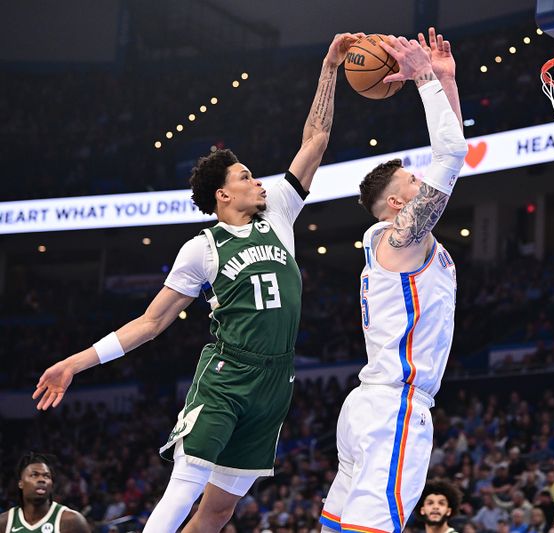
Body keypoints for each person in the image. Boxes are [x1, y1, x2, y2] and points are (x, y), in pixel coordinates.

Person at [31, 32, 365, 533]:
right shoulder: (201, 248)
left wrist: (329, 67)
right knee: (186, 483)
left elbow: (315, 140)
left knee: (220, 508)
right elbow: (150, 322)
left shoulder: (277, 212)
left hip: (277, 380)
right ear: (222, 194)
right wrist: (74, 364)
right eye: (247, 176)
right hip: (228, 376)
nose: (258, 182)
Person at [319, 27, 468, 533]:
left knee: (339, 526)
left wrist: (445, 81)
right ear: (399, 204)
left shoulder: (396, 242)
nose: (424, 181)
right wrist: (425, 78)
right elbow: (451, 158)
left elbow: (451, 158)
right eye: (413, 181)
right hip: (394, 408)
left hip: (370, 405)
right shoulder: (402, 240)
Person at [0, 452, 91, 533]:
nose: (42, 480)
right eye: (34, 475)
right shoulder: (4, 522)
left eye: (46, 476)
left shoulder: (72, 521)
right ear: (21, 483)